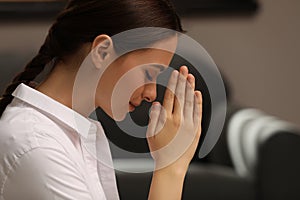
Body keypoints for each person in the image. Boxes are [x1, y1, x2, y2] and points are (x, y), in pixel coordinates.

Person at [0, 0, 202, 199]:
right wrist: (171, 167)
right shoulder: (37, 146)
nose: (151, 93)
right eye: (149, 73)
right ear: (102, 51)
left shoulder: (77, 134)